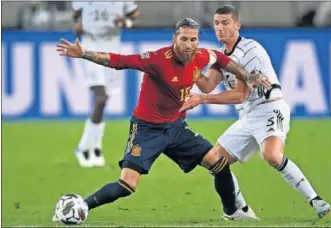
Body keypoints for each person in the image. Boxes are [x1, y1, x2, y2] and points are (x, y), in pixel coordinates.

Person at [54, 18, 271, 221]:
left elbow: (223, 60)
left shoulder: (201, 55)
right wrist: (84, 54)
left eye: (193, 39)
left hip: (176, 127)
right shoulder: (158, 59)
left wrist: (247, 76)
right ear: (174, 39)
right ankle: (81, 206)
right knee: (126, 185)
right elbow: (119, 61)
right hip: (146, 129)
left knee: (219, 163)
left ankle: (232, 212)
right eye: (183, 38)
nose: (188, 44)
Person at [180, 5, 331, 219]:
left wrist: (202, 99)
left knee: (271, 155)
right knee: (214, 161)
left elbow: (239, 95)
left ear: (237, 25)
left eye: (225, 23)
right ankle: (240, 209)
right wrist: (188, 63)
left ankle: (316, 200)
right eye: (216, 23)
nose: (220, 28)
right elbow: (207, 85)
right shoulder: (223, 56)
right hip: (248, 116)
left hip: (270, 108)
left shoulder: (249, 51)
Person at [71, 1, 140, 167]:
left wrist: (125, 22)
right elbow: (74, 16)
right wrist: (77, 26)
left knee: (104, 100)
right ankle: (84, 147)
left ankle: (93, 147)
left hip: (111, 53)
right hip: (89, 50)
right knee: (100, 98)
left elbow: (134, 16)